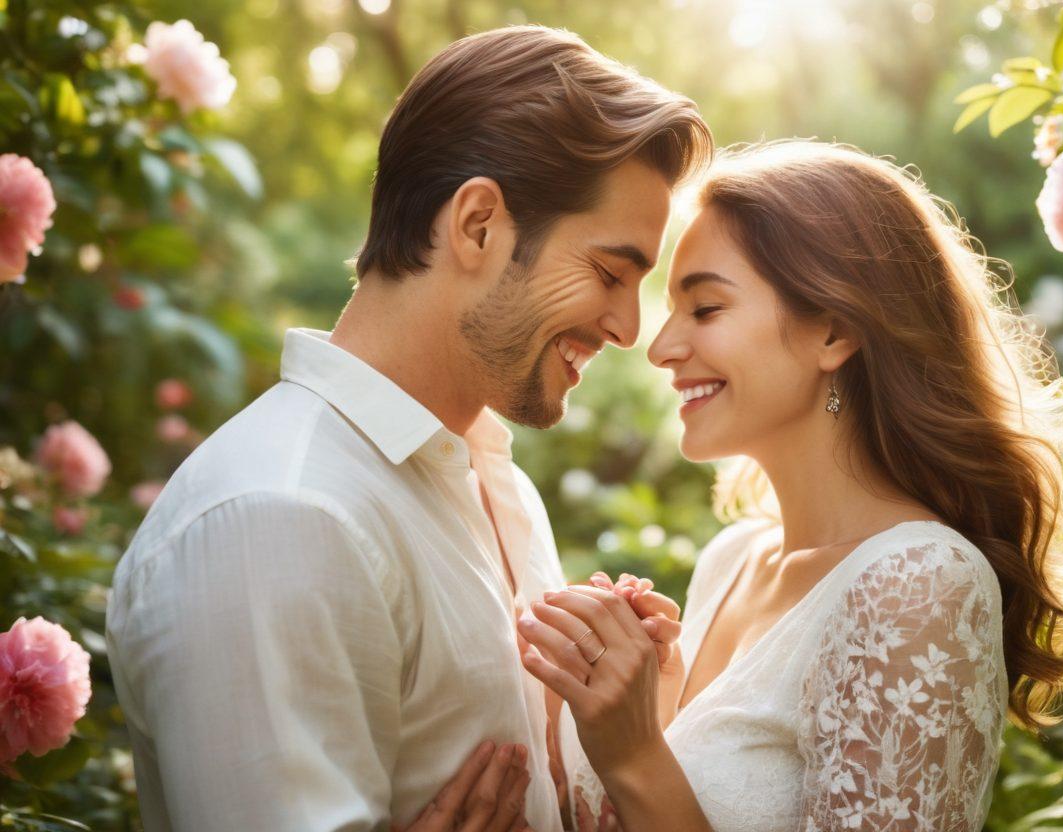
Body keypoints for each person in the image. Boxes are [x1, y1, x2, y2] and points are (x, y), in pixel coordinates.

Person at [104, 25, 711, 831]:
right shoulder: (279, 517)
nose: (630, 328)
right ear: (478, 226)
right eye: (609, 273)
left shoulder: (500, 485)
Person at [519, 141, 1063, 831]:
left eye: (704, 309)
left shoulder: (919, 584)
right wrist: (636, 702)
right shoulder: (732, 559)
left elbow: (652, 780)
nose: (661, 346)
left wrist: (637, 754)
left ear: (833, 329)